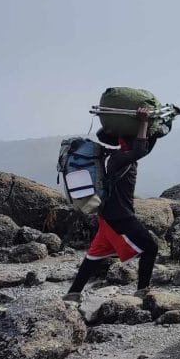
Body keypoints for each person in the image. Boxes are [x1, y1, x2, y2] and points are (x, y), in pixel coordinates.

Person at [65, 108, 159, 300]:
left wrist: (152, 127)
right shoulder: (118, 159)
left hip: (108, 214)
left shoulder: (116, 156)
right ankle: (142, 291)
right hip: (119, 215)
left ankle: (73, 293)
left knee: (95, 255)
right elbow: (141, 149)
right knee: (151, 247)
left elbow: (144, 148)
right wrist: (142, 122)